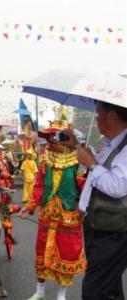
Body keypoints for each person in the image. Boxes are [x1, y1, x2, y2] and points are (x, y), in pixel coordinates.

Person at [62, 102, 127, 300]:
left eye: (98, 113)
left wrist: (90, 163)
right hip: (98, 226)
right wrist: (77, 146)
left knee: (94, 291)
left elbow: (118, 186)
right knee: (109, 288)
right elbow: (102, 165)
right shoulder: (110, 143)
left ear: (111, 115)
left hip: (114, 233)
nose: (96, 118)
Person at [19, 116, 86, 300]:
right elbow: (39, 187)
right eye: (48, 139)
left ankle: (61, 294)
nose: (48, 143)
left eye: (52, 139)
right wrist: (30, 205)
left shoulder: (77, 164)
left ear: (65, 140)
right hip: (47, 216)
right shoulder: (45, 163)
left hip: (68, 217)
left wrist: (89, 174)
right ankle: (39, 291)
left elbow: (84, 187)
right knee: (41, 251)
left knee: (66, 253)